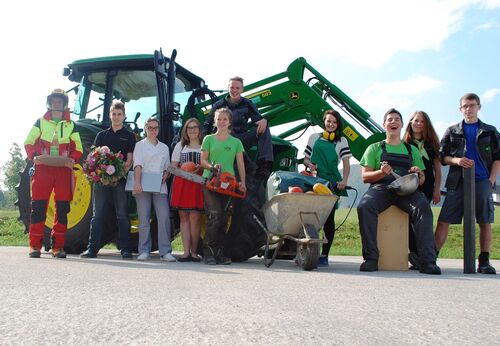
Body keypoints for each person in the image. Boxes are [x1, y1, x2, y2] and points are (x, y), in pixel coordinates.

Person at [357, 108, 441, 274]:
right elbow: (365, 177)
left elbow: (422, 179)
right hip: (381, 188)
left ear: (402, 125)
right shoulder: (374, 148)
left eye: (397, 119)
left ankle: (427, 261)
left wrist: (419, 173)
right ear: (384, 125)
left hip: (407, 190)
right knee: (365, 206)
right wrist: (381, 172)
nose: (393, 122)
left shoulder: (412, 150)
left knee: (423, 207)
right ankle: (371, 258)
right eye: (390, 120)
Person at [435, 93, 500, 274]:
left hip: (482, 181)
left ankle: (484, 261)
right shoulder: (452, 131)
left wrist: (490, 181)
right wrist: (457, 161)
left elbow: (498, 158)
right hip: (457, 182)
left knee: (485, 221)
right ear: (460, 109)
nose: (469, 109)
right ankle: (431, 257)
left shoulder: (490, 131)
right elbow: (442, 157)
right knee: (444, 219)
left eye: (472, 105)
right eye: (465, 106)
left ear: (479, 107)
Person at [24, 88, 83, 258]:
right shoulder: (40, 122)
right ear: (49, 103)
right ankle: (35, 246)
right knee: (39, 207)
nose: (57, 103)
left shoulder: (72, 125)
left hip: (63, 170)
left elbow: (78, 147)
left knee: (63, 209)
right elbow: (28, 142)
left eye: (60, 101)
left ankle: (58, 247)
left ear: (64, 104)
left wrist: (73, 158)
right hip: (43, 168)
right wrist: (34, 156)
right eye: (54, 100)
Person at [81, 100, 136, 259]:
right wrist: (102, 176)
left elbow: (129, 161)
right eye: (114, 114)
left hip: (119, 181)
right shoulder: (101, 135)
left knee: (122, 215)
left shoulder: (129, 136)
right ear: (110, 115)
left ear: (124, 116)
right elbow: (94, 158)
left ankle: (126, 249)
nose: (117, 117)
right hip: (101, 182)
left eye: (119, 114)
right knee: (97, 215)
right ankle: (92, 249)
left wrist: (117, 174)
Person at [303, 109, 351, 266]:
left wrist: (344, 180)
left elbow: (346, 164)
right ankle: (305, 251)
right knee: (308, 216)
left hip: (332, 182)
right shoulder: (313, 137)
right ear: (324, 121)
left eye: (334, 122)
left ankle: (324, 255)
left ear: (338, 125)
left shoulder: (341, 141)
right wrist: (310, 165)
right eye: (329, 121)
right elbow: (306, 159)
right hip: (314, 179)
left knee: (328, 220)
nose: (331, 124)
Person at [203, 76, 273, 180]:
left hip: (242, 139)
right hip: (224, 139)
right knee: (228, 131)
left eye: (237, 88)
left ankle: (264, 165)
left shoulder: (248, 103)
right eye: (232, 87)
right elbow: (207, 124)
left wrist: (264, 120)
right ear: (228, 88)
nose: (234, 90)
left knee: (265, 128)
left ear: (242, 89)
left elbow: (258, 120)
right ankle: (248, 165)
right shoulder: (219, 104)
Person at [200, 107, 246, 265]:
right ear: (215, 121)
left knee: (225, 218)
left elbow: (240, 164)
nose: (221, 122)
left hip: (229, 184)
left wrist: (243, 183)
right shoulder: (208, 139)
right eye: (218, 119)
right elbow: (203, 161)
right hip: (211, 182)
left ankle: (220, 253)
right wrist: (212, 166)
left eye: (224, 119)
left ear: (229, 122)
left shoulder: (236, 142)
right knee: (214, 216)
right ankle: (209, 253)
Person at [133, 118, 176, 262]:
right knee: (144, 218)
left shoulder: (164, 147)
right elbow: (137, 165)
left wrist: (166, 175)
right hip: (143, 185)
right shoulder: (139, 145)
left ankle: (165, 251)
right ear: (145, 128)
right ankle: (144, 250)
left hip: (159, 186)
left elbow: (167, 168)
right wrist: (137, 183)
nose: (153, 130)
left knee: (163, 217)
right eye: (150, 128)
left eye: (155, 128)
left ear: (158, 129)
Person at [403, 111, 442, 269]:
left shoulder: (431, 144)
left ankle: (425, 255)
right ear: (410, 122)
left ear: (426, 125)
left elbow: (438, 170)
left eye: (422, 121)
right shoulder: (404, 143)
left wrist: (437, 190)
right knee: (408, 221)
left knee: (422, 221)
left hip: (426, 187)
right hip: (409, 186)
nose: (418, 123)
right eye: (415, 120)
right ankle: (415, 253)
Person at [170, 118, 204, 262]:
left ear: (199, 129)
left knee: (195, 218)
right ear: (185, 130)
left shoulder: (204, 145)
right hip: (182, 182)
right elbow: (173, 167)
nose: (192, 130)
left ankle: (194, 252)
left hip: (197, 183)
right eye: (189, 128)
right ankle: (185, 252)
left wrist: (199, 168)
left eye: (195, 127)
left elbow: (209, 164)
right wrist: (184, 168)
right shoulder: (180, 146)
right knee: (184, 217)